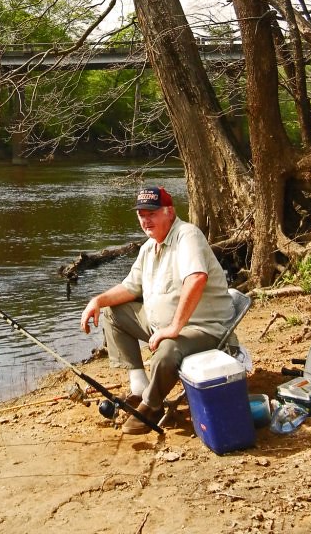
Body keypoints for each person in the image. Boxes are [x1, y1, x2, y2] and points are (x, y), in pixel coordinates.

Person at [80, 185, 236, 435]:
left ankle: (151, 408)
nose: (145, 219)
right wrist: (97, 300)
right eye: (141, 214)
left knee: (167, 351)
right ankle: (139, 387)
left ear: (170, 212)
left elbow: (196, 278)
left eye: (151, 213)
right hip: (160, 326)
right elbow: (130, 288)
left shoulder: (187, 235)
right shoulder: (148, 248)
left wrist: (174, 327)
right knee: (112, 311)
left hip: (202, 328)